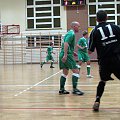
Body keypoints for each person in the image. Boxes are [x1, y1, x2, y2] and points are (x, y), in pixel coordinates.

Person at [88, 10, 120, 112]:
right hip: (117, 59)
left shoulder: (94, 31)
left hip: (104, 60)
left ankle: (97, 101)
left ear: (96, 20)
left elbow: (90, 51)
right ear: (107, 17)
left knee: (102, 81)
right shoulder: (115, 27)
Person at [59, 21, 84, 95]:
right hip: (67, 55)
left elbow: (67, 45)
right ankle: (75, 89)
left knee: (65, 72)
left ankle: (62, 89)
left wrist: (72, 52)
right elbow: (66, 43)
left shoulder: (69, 33)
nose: (79, 28)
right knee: (76, 71)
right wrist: (66, 55)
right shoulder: (71, 34)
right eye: (78, 26)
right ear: (74, 26)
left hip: (64, 53)